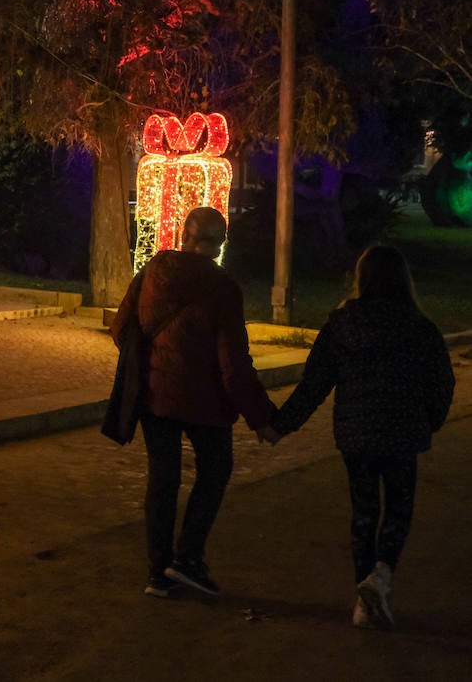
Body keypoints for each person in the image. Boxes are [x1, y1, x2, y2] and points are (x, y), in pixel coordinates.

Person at [265, 245, 455, 630]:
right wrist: (428, 421)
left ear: (361, 278)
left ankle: (363, 603)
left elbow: (314, 384)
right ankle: (381, 574)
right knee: (398, 510)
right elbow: (442, 383)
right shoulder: (420, 328)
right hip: (402, 434)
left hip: (357, 434)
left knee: (363, 513)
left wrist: (280, 425)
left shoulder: (341, 325)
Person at [110, 206, 275, 599]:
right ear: (219, 243)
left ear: (183, 234)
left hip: (155, 398)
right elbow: (234, 364)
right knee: (215, 470)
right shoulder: (222, 287)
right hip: (206, 403)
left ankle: (158, 572)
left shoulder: (152, 272)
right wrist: (261, 418)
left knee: (163, 480)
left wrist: (153, 361)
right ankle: (188, 558)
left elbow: (120, 329)